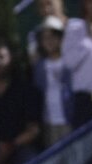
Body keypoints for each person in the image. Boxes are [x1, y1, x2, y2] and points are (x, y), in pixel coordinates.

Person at [33, 16, 72, 147]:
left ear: (60, 38)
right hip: (49, 122)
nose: (49, 41)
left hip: (69, 120)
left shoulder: (70, 62)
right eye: (45, 38)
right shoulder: (39, 66)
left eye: (52, 37)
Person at [64, 0, 92, 129]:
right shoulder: (74, 28)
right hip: (85, 102)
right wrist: (88, 39)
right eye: (91, 2)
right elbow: (69, 62)